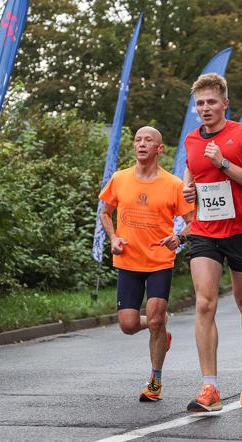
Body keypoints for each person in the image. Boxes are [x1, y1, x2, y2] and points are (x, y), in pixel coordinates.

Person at [181, 73, 242, 412]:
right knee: (204, 303)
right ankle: (210, 388)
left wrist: (225, 164)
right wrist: (187, 191)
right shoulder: (192, 140)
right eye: (200, 103)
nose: (205, 108)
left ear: (224, 104)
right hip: (205, 230)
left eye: (211, 102)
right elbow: (192, 176)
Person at [99, 126, 194, 402]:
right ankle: (161, 331)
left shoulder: (173, 184)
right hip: (128, 259)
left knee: (155, 318)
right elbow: (105, 211)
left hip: (159, 261)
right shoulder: (119, 179)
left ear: (159, 149)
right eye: (138, 140)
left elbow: (193, 222)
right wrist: (113, 236)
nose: (141, 144)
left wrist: (179, 238)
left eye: (148, 140)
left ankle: (155, 382)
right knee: (128, 325)